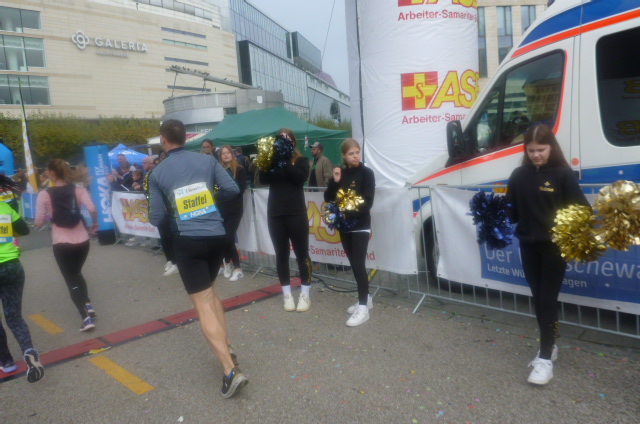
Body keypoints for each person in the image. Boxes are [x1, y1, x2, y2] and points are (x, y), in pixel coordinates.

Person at [148, 119, 248, 399]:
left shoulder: (157, 173)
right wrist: (206, 200)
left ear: (163, 140)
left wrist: (176, 208)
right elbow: (232, 189)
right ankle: (227, 347)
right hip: (216, 236)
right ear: (185, 138)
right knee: (210, 294)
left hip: (188, 240)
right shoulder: (206, 160)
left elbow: (156, 217)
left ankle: (230, 371)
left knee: (203, 303)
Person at [506, 124, 590, 385]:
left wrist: (568, 231)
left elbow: (582, 210)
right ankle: (549, 344)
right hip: (528, 245)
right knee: (538, 297)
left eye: (540, 149)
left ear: (551, 147)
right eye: (531, 150)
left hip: (555, 247)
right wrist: (495, 213)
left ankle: (544, 360)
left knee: (547, 300)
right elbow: (512, 212)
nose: (535, 155)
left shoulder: (563, 174)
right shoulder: (518, 174)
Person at [35, 159, 99, 332]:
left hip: (62, 243)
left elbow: (39, 221)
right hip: (82, 241)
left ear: (52, 173)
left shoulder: (44, 194)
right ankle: (87, 303)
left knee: (70, 278)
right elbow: (93, 209)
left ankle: (85, 318)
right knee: (76, 273)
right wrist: (94, 223)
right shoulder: (78, 189)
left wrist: (48, 216)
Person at [259, 128, 312, 312]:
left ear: (294, 142)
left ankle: (305, 294)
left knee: (302, 254)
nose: (283, 140)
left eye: (287, 138)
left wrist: (286, 159)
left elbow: (300, 178)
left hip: (296, 214)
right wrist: (268, 159)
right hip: (275, 214)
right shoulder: (272, 161)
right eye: (280, 138)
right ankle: (287, 295)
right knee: (281, 255)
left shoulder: (301, 160)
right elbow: (262, 178)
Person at [324, 139, 375, 327]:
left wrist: (347, 212)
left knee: (359, 264)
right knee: (353, 263)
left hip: (360, 224)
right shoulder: (342, 173)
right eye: (351, 153)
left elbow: (367, 202)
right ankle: (366, 298)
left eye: (357, 152)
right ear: (344, 156)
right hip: (344, 226)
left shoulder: (367, 173)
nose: (355, 156)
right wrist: (335, 181)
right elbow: (329, 198)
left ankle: (363, 308)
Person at [0, 175, 45, 382]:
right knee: (14, 317)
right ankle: (28, 350)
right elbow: (24, 230)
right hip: (12, 266)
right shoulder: (5, 208)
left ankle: (6, 362)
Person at [217, 145, 246, 282]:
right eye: (223, 153)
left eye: (228, 152)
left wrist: (223, 193)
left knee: (229, 238)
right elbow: (216, 190)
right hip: (221, 209)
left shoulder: (239, 170)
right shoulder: (218, 172)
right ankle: (228, 266)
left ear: (232, 154)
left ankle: (231, 264)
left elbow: (240, 190)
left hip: (235, 209)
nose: (226, 155)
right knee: (223, 238)